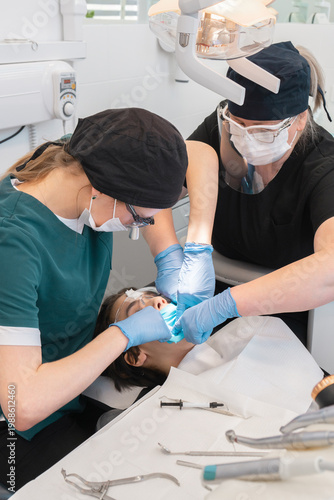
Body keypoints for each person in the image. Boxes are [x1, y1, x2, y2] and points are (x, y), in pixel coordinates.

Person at [0, 107, 218, 491]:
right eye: (139, 219)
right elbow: (22, 406)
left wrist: (179, 250)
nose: (140, 228)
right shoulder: (14, 244)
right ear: (104, 193)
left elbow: (198, 152)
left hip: (68, 388)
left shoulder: (81, 159)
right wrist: (122, 335)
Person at [171, 41, 334, 348]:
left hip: (284, 304)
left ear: (300, 119)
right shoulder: (221, 129)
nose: (246, 137)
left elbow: (330, 267)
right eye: (239, 124)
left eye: (264, 131)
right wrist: (171, 255)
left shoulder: (324, 167)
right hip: (211, 284)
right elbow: (161, 191)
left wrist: (225, 306)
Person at [93, 287, 323, 419]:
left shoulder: (246, 330)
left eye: (152, 295)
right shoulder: (176, 407)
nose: (158, 301)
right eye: (138, 312)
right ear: (135, 357)